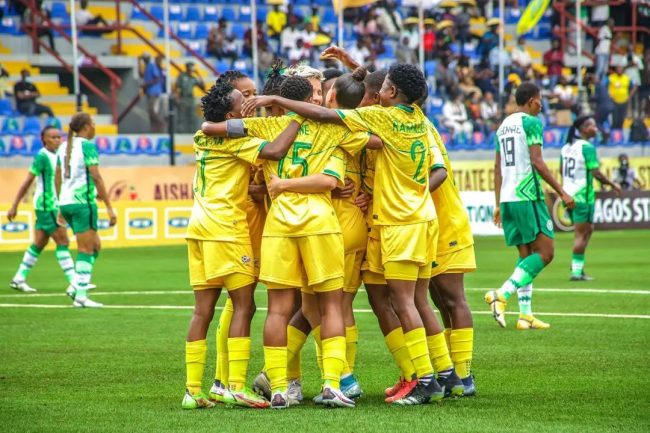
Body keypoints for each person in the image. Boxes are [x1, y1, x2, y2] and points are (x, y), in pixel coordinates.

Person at [242, 63, 460, 406]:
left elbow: (322, 168)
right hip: (387, 221)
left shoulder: (330, 125)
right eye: (315, 91)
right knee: (371, 302)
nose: (319, 97)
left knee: (315, 306)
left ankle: (339, 378)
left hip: (337, 224)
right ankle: (437, 373)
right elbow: (375, 141)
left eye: (322, 91)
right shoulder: (415, 118)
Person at [203, 75, 381, 409]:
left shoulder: (267, 127)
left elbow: (213, 128)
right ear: (309, 101)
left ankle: (279, 389)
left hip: (279, 225)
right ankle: (332, 384)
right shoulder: (332, 128)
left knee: (278, 309)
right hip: (320, 224)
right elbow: (375, 142)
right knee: (331, 306)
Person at [181, 80, 303, 410]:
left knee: (201, 312)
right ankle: (235, 386)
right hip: (226, 229)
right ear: (232, 115)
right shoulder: (235, 142)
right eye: (243, 102)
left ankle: (193, 391)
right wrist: (298, 118)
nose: (248, 105)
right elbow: (276, 151)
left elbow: (211, 127)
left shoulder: (201, 137)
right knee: (244, 306)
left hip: (197, 228)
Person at [487, 82, 575, 330]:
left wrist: (497, 204)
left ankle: (525, 315)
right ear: (531, 101)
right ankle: (501, 294)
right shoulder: (531, 122)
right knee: (546, 253)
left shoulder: (502, 127)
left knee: (526, 256)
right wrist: (562, 192)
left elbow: (497, 168)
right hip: (527, 195)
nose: (541, 105)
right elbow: (537, 162)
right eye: (540, 100)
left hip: (508, 198)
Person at [54, 113, 116, 308]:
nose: (95, 127)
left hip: (67, 202)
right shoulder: (87, 146)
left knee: (95, 246)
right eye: (94, 123)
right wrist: (109, 207)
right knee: (86, 249)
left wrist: (60, 204)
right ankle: (80, 295)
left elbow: (57, 177)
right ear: (87, 126)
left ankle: (75, 285)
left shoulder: (63, 147)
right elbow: (96, 176)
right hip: (83, 203)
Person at [7, 126, 77, 294]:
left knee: (39, 244)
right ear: (44, 140)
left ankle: (19, 278)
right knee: (63, 242)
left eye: (59, 137)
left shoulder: (58, 155)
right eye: (53, 137)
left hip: (49, 205)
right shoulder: (42, 157)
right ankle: (76, 282)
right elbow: (27, 181)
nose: (57, 140)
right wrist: (15, 205)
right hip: (48, 206)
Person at [561, 116, 621, 282]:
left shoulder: (566, 147)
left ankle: (577, 265)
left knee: (588, 230)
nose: (596, 128)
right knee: (581, 234)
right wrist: (613, 184)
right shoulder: (587, 147)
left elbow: (561, 170)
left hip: (568, 195)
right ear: (584, 129)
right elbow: (596, 173)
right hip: (582, 197)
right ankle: (576, 272)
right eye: (592, 126)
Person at [174, 62, 205, 133]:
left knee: (192, 116)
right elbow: (176, 87)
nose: (192, 69)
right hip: (183, 98)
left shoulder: (193, 78)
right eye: (191, 67)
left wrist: (198, 74)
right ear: (187, 67)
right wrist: (176, 97)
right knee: (182, 117)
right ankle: (181, 132)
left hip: (191, 99)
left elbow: (203, 87)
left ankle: (191, 132)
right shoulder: (182, 76)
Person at [143, 55, 166, 133]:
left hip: (154, 92)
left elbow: (157, 78)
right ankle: (154, 130)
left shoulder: (152, 66)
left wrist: (147, 84)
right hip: (151, 92)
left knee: (152, 111)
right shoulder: (148, 66)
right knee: (151, 112)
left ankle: (161, 123)